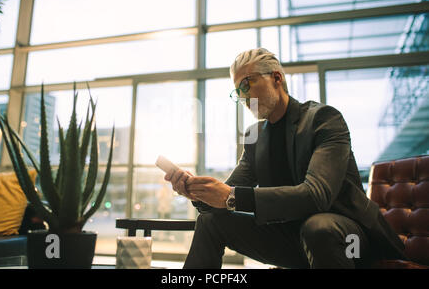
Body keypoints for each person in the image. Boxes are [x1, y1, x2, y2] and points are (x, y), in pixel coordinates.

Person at [164, 48, 406, 269]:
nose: (243, 97)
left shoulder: (324, 119)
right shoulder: (254, 136)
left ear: (276, 78)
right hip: (295, 242)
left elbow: (316, 195)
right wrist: (196, 191)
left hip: (351, 242)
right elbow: (230, 192)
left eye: (246, 85)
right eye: (237, 91)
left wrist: (230, 196)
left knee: (318, 228)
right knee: (210, 220)